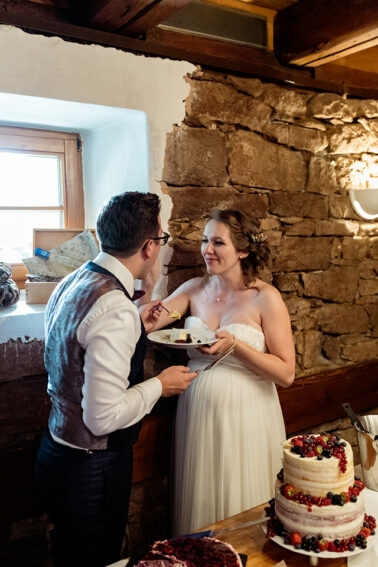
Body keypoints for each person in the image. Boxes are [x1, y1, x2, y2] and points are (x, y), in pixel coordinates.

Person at [34, 191, 197, 567]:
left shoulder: (75, 279)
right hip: (91, 470)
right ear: (148, 247)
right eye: (160, 239)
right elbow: (101, 418)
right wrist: (161, 385)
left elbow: (76, 349)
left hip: (55, 451)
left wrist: (137, 322)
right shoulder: (115, 308)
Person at [142, 209, 295, 536]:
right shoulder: (194, 289)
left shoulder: (265, 298)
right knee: (202, 505)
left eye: (217, 242)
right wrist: (146, 295)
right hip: (197, 413)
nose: (206, 249)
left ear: (243, 250)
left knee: (244, 507)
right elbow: (151, 323)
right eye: (204, 240)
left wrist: (237, 346)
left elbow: (286, 374)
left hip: (247, 414)